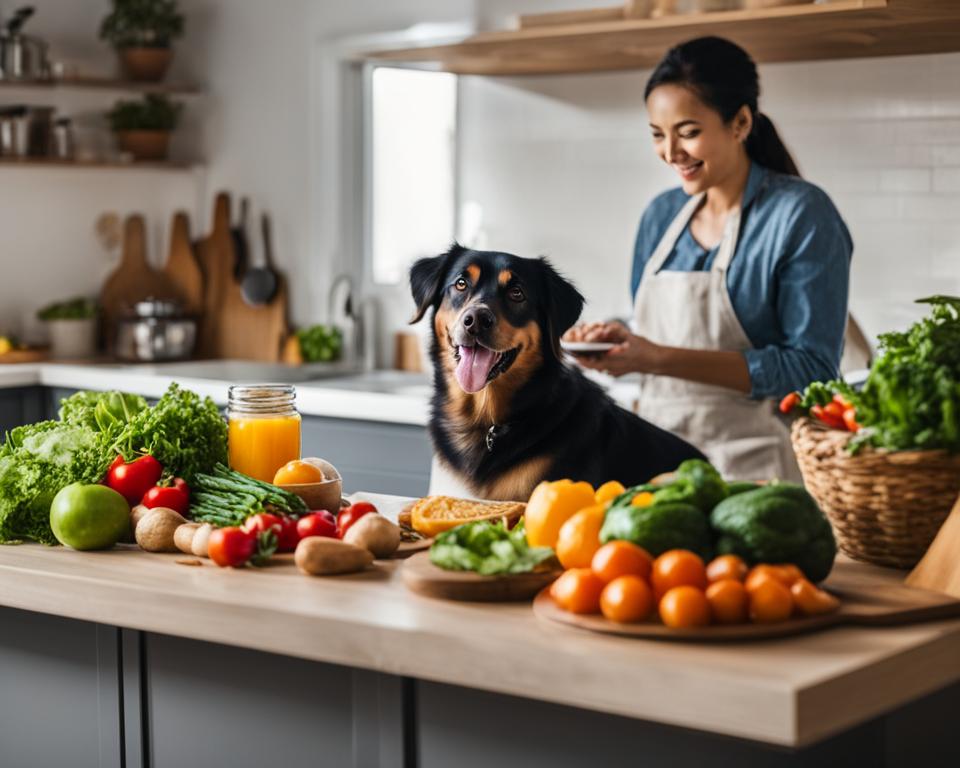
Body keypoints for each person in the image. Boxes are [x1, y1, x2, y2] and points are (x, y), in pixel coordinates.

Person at [565, 36, 852, 482]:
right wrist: (621, 339)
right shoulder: (661, 216)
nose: (671, 153)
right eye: (658, 136)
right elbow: (659, 333)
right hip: (654, 467)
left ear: (740, 123)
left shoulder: (801, 214)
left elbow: (810, 371)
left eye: (689, 132)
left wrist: (654, 357)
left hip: (757, 476)